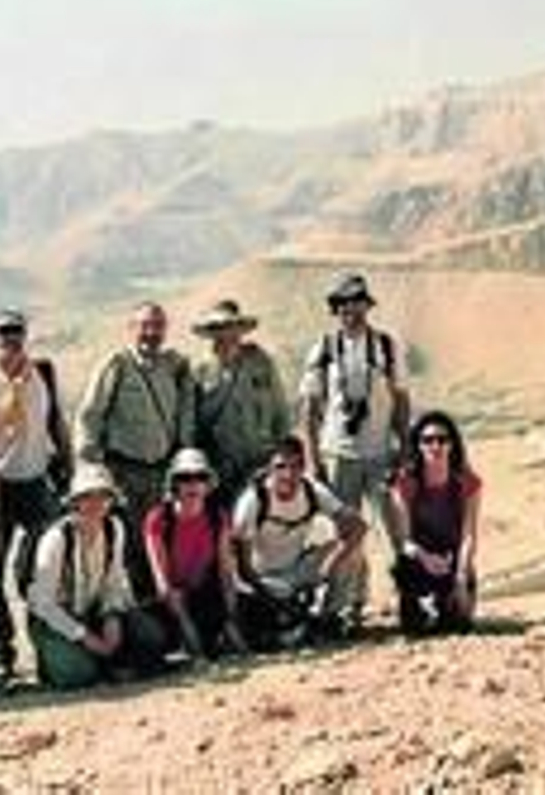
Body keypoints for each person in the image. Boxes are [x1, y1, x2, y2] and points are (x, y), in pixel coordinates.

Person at [299, 272, 410, 623]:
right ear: (336, 309)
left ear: (367, 306)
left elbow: (401, 399)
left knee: (395, 529)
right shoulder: (324, 348)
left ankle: (408, 599)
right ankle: (349, 605)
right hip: (338, 453)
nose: (352, 310)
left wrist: (404, 446)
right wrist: (313, 458)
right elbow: (310, 407)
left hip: (380, 453)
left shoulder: (387, 347)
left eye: (358, 303)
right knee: (348, 534)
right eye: (345, 304)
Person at [75, 301, 195, 593]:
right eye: (144, 326)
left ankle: (156, 607)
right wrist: (90, 469)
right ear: (131, 329)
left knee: (159, 541)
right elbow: (90, 415)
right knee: (126, 543)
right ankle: (126, 611)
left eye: (157, 326)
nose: (150, 333)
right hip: (124, 472)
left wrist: (184, 458)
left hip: (162, 472)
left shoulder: (174, 367)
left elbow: (184, 415)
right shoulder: (116, 365)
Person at [0, 308, 72, 684]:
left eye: (16, 330)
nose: (10, 337)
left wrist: (66, 462)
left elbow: (55, 421)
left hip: (36, 481)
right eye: (3, 331)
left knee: (41, 570)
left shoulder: (43, 372)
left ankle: (48, 650)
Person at [26, 463, 167, 689]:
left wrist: (111, 616)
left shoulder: (114, 528)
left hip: (93, 612)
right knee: (79, 675)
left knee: (151, 637)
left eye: (103, 496)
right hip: (55, 620)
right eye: (87, 496)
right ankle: (63, 661)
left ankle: (102, 661)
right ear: (75, 502)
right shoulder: (56, 539)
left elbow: (114, 582)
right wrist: (85, 637)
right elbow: (44, 605)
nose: (96, 504)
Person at [232, 437, 366, 649]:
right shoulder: (253, 501)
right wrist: (274, 596)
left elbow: (358, 526)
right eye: (281, 467)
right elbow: (243, 567)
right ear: (269, 469)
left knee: (354, 553)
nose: (288, 474)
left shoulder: (312, 490)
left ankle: (330, 616)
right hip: (262, 578)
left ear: (304, 467)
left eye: (296, 466)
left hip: (298, 568)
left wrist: (331, 564)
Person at [141, 449, 245, 661]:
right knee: (152, 637)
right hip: (171, 602)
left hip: (204, 594)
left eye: (200, 477)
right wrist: (191, 636)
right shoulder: (158, 519)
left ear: (208, 485)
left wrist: (231, 620)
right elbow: (163, 586)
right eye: (184, 478)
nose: (193, 484)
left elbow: (226, 573)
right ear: (174, 484)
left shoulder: (218, 517)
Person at [191, 299, 290, 508]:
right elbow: (192, 425)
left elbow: (280, 412)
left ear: (240, 331)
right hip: (220, 468)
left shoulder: (260, 362)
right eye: (219, 329)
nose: (226, 335)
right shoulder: (199, 372)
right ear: (212, 334)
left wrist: (282, 455)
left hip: (259, 463)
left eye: (231, 328)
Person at [389, 411, 482, 635]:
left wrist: (461, 574)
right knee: (414, 628)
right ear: (418, 446)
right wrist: (425, 557)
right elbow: (404, 540)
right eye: (427, 440)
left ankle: (447, 603)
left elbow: (469, 535)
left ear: (452, 444)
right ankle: (414, 605)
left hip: (451, 558)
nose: (435, 446)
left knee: (459, 626)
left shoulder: (468, 483)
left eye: (442, 439)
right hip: (420, 558)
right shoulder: (405, 483)